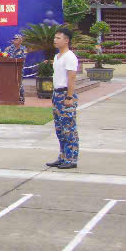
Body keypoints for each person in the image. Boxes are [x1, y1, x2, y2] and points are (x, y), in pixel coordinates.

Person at [48, 27, 79, 170]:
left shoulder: (70, 57)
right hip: (57, 94)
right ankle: (63, 157)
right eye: (55, 38)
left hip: (65, 94)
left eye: (58, 38)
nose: (55, 40)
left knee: (69, 128)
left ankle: (71, 158)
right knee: (59, 129)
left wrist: (69, 97)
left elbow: (71, 78)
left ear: (66, 40)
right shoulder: (57, 56)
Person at [4, 33, 28, 104]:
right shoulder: (9, 48)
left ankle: (21, 98)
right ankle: (10, 97)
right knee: (9, 83)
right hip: (10, 69)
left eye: (16, 39)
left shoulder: (24, 49)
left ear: (21, 40)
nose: (15, 40)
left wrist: (14, 59)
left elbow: (23, 58)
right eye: (14, 39)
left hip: (19, 69)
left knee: (19, 83)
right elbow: (5, 56)